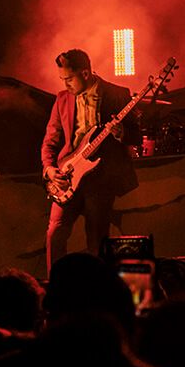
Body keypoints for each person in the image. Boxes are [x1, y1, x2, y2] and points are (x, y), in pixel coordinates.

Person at [40, 49, 139, 271]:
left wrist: (121, 132)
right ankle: (56, 286)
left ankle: (96, 291)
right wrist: (49, 169)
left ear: (85, 73)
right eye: (62, 79)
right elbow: (50, 140)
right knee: (54, 233)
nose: (65, 84)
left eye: (69, 79)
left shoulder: (117, 94)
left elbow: (136, 135)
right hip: (68, 175)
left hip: (101, 179)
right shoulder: (62, 99)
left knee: (96, 238)